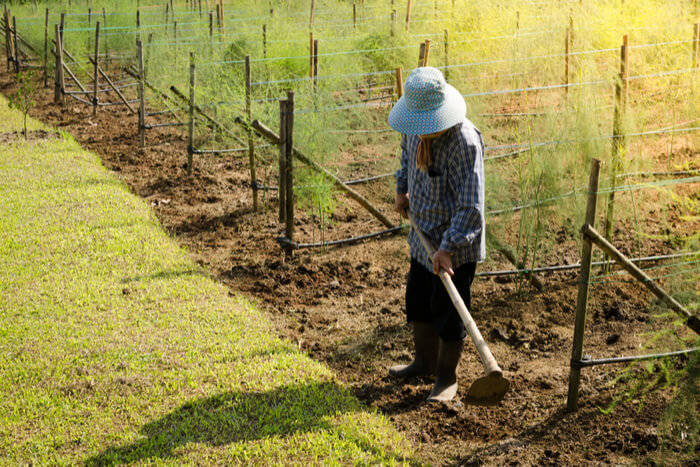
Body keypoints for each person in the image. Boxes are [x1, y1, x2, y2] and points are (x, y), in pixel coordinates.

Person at [387, 67, 485, 402]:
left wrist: (447, 248)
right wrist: (402, 189)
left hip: (455, 245)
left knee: (448, 311)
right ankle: (423, 362)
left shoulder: (464, 143)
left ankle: (446, 377)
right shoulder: (414, 127)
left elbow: (471, 207)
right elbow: (405, 157)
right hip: (422, 238)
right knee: (418, 301)